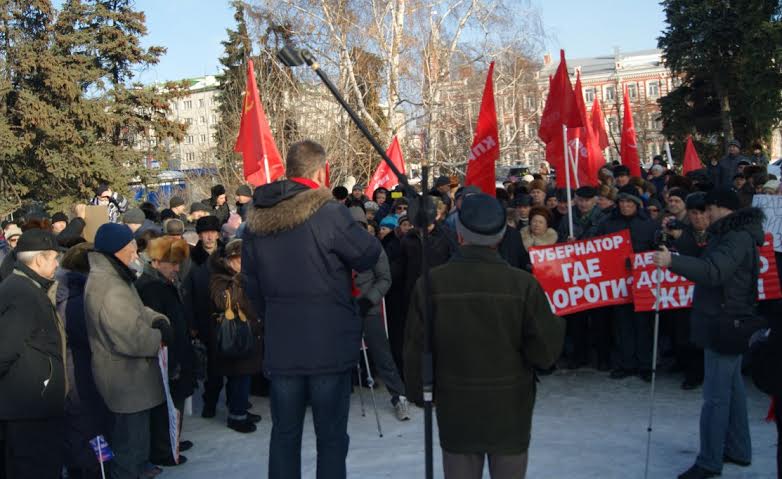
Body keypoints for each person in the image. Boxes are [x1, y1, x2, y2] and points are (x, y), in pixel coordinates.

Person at [242, 140, 381, 479]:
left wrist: (275, 317)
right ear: (321, 172)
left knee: (284, 436)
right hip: (328, 343)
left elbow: (251, 286)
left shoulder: (257, 219)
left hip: (283, 344)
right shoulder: (329, 212)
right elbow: (367, 254)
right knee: (331, 438)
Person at [404, 193, 565, 479]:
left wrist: (420, 394)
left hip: (456, 405)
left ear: (460, 234)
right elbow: (545, 353)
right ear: (501, 235)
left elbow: (415, 350)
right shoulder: (523, 285)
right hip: (509, 406)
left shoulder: (431, 283)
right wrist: (558, 323)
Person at [654, 189, 760, 479]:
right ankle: (738, 448)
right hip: (724, 319)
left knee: (716, 397)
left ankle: (710, 461)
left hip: (725, 321)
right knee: (733, 390)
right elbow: (705, 259)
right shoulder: (728, 234)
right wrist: (679, 240)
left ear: (722, 208)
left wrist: (672, 262)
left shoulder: (736, 237)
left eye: (709, 209)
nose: (706, 214)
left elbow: (713, 271)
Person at [84, 223, 173, 479]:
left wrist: (156, 319)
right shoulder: (108, 286)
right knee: (129, 446)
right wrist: (159, 337)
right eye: (131, 251)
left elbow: (136, 309)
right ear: (116, 251)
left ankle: (139, 468)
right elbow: (130, 338)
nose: (136, 256)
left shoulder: (115, 276)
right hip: (125, 380)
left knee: (138, 439)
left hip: (132, 378)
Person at [0, 229, 66, 479]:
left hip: (34, 406)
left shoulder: (28, 287)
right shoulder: (22, 293)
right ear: (39, 260)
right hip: (29, 410)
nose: (57, 264)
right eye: (54, 258)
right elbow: (5, 350)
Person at [135, 236, 194, 466]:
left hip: (174, 352)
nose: (177, 268)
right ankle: (165, 449)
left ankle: (172, 441)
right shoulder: (152, 287)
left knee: (174, 401)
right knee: (167, 403)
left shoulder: (162, 283)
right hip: (166, 355)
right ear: (157, 262)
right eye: (173, 263)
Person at [56, 242, 112, 478]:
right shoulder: (76, 300)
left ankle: (96, 467)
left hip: (77, 372)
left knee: (85, 428)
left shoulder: (66, 292)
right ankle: (96, 470)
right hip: (81, 374)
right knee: (90, 429)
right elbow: (91, 337)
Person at [350, 207, 410, 421]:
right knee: (341, 355)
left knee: (382, 354)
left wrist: (369, 300)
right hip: (344, 309)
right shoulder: (337, 246)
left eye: (360, 226)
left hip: (369, 308)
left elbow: (385, 278)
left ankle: (399, 396)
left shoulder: (374, 247)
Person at [597, 185, 657, 381]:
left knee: (644, 325)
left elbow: (657, 250)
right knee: (623, 325)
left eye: (629, 201)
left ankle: (645, 365)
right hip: (619, 283)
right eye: (622, 201)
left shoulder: (649, 224)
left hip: (643, 283)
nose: (625, 205)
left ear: (637, 204)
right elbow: (595, 247)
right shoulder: (608, 223)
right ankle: (627, 363)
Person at [208, 239, 263, 433]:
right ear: (229, 260)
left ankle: (240, 409)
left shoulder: (240, 276)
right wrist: (239, 282)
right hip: (236, 336)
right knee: (239, 376)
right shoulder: (221, 278)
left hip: (245, 334)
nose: (243, 264)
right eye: (239, 260)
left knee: (242, 377)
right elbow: (222, 301)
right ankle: (237, 416)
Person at [185, 215, 225, 418]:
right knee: (213, 366)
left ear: (218, 234)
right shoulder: (191, 260)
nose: (209, 237)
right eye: (204, 233)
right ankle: (210, 402)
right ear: (199, 236)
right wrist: (192, 323)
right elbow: (187, 294)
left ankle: (237, 402)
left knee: (234, 363)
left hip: (229, 317)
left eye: (212, 233)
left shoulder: (227, 254)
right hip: (205, 319)